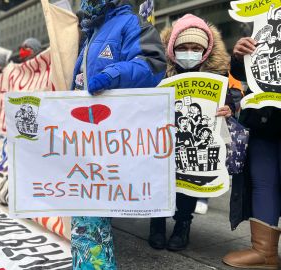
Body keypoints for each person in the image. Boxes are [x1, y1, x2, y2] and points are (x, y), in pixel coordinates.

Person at [70, 1, 167, 269]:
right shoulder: (91, 30)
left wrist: (112, 74)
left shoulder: (132, 23)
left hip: (111, 138)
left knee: (89, 216)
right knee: (85, 216)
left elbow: (153, 65)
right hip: (86, 136)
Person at [148, 14, 232, 252]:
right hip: (162, 140)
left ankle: (182, 224)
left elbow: (232, 99)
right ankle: (156, 223)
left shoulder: (220, 73)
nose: (189, 52)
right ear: (173, 47)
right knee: (161, 181)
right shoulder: (157, 69)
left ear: (205, 50)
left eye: (196, 48)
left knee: (188, 181)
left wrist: (229, 108)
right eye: (183, 47)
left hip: (195, 140)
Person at [222, 36, 281, 270]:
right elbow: (244, 73)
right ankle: (264, 252)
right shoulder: (264, 22)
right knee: (263, 181)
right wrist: (240, 55)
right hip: (262, 118)